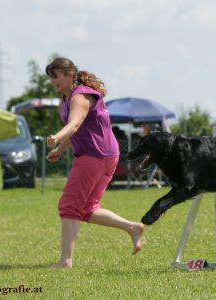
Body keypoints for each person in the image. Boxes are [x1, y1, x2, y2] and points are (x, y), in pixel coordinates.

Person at [45, 57, 144, 268]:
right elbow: (79, 129)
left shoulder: (79, 96)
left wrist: (57, 137)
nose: (52, 81)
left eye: (56, 76)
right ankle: (132, 227)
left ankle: (66, 260)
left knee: (69, 206)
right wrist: (60, 150)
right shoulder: (70, 96)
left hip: (94, 156)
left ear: (70, 75)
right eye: (50, 77)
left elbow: (74, 124)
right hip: (107, 156)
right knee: (87, 209)